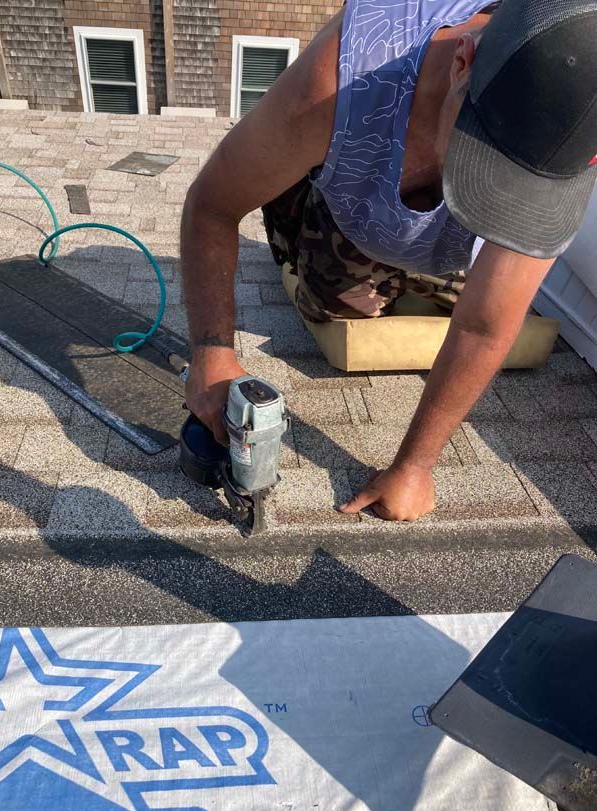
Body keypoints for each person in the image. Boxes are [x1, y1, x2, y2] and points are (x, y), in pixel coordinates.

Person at [181, 0, 597, 522]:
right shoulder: (342, 79)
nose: (495, 198)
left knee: (495, 297)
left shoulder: (571, 126)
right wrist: (211, 352)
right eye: (481, 164)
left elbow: (486, 326)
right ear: (462, 63)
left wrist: (415, 466)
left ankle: (415, 270)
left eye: (516, 191)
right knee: (338, 302)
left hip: (441, 254)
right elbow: (212, 205)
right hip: (345, 213)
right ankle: (310, 236)